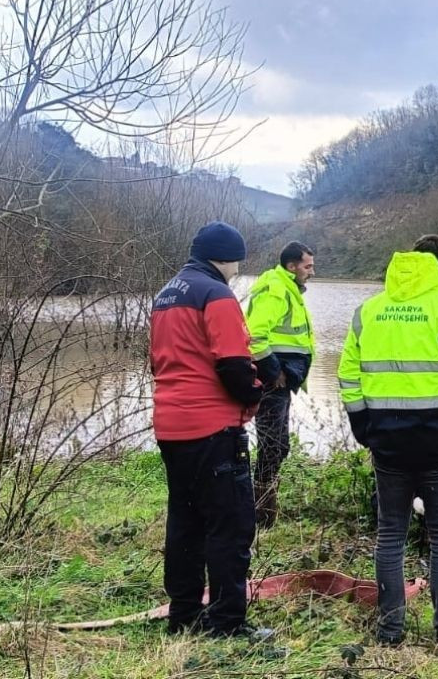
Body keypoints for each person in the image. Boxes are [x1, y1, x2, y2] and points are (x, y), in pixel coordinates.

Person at [338, 234, 438, 654]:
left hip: (387, 445)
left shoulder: (368, 312)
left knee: (390, 534)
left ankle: (390, 630)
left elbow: (348, 376)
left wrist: (362, 428)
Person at [149, 221, 272, 641]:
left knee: (185, 522)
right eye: (238, 259)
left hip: (171, 426)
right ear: (228, 256)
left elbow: (161, 362)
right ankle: (228, 624)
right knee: (230, 526)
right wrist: (255, 395)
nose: (239, 267)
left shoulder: (166, 294)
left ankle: (184, 615)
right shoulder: (217, 294)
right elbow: (234, 363)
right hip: (213, 427)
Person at [245, 240, 316, 528]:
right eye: (308, 266)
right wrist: (274, 372)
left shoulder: (287, 288)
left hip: (281, 380)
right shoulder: (277, 289)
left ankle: (262, 510)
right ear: (292, 266)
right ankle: (260, 515)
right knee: (273, 445)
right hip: (273, 381)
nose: (312, 271)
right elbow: (254, 335)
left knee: (277, 445)